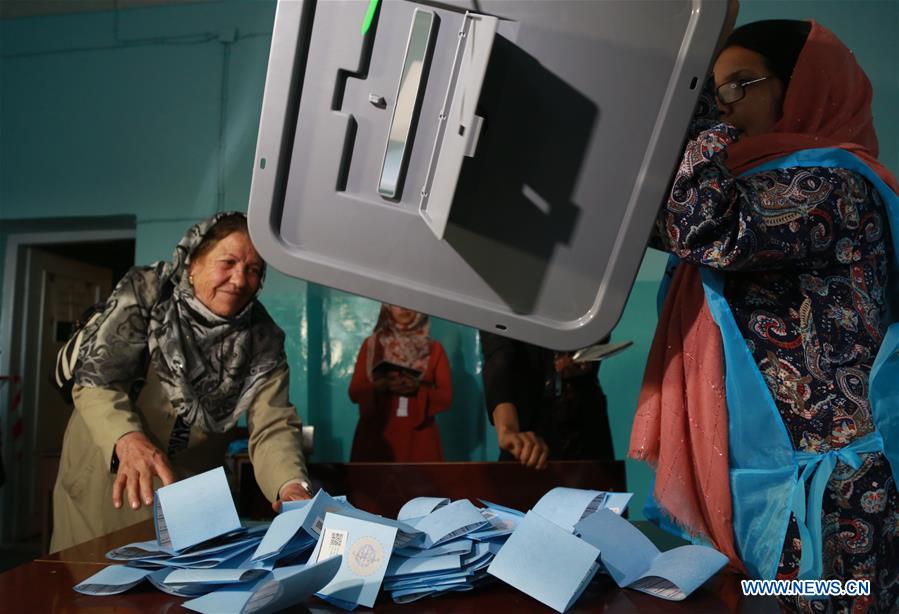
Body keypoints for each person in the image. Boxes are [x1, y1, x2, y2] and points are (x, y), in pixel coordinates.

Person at [629, 14, 898, 611]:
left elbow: (705, 227)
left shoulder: (832, 186)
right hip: (775, 484)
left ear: (801, 84)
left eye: (737, 84)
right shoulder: (748, 184)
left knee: (833, 603)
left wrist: (694, 122)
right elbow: (650, 227)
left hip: (837, 497)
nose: (723, 106)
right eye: (712, 90)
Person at [51, 212, 311, 552]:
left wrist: (289, 484)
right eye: (228, 262)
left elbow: (272, 426)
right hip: (110, 474)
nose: (239, 279)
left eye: (253, 270)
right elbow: (97, 380)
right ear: (193, 263)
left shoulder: (262, 339)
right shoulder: (145, 295)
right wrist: (127, 438)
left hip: (187, 489)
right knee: (94, 586)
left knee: (180, 590)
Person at [480, 331, 614, 469]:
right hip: (527, 434)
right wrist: (508, 429)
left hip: (586, 432)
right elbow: (498, 354)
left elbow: (600, 328)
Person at [348, 304, 452, 461]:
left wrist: (418, 388)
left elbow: (446, 397)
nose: (404, 308)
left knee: (422, 484)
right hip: (377, 433)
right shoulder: (373, 346)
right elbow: (355, 392)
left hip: (420, 435)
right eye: (396, 302)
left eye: (411, 302)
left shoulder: (433, 349)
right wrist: (380, 386)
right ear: (387, 307)